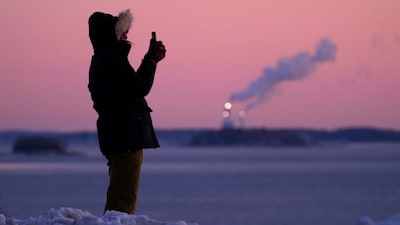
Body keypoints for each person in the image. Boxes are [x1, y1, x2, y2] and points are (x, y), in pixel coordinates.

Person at [88, 9, 166, 214]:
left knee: (119, 195)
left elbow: (132, 88)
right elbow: (139, 89)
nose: (126, 37)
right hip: (126, 139)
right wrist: (151, 61)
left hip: (117, 138)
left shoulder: (104, 61)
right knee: (123, 201)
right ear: (111, 35)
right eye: (121, 32)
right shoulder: (112, 61)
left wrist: (150, 60)